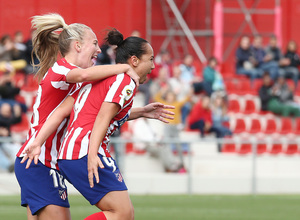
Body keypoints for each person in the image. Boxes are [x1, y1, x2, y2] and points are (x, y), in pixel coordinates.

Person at [22, 29, 175, 220]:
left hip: (69, 153)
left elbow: (77, 112)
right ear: (134, 61)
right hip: (84, 151)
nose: (153, 66)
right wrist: (92, 154)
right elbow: (102, 117)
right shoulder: (125, 80)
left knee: (123, 213)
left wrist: (142, 112)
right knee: (123, 213)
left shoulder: (99, 79)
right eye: (150, 59)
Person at [14, 13, 140, 220]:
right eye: (94, 43)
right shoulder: (65, 69)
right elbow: (83, 75)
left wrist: (141, 112)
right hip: (40, 160)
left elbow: (97, 113)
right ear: (78, 46)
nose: (99, 50)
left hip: (42, 159)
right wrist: (125, 67)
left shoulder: (75, 80)